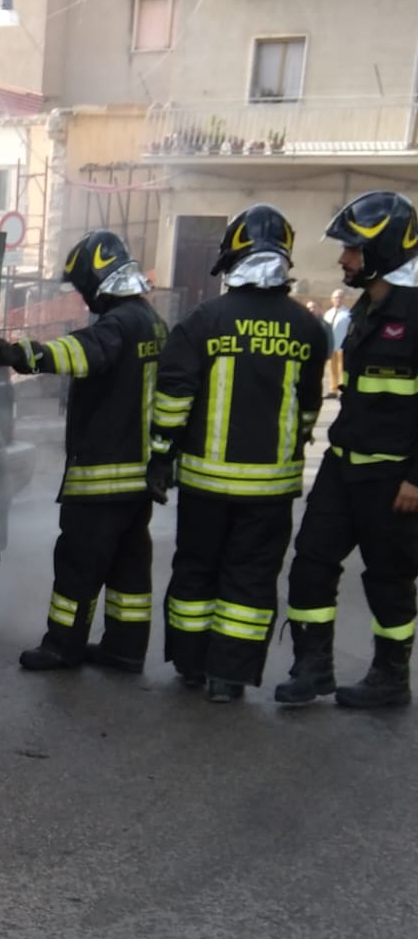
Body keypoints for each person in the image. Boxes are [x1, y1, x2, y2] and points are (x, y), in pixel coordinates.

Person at [148, 205, 326, 703]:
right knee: (249, 582)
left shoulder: (204, 321)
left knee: (198, 569)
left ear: (233, 259)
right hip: (270, 490)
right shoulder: (309, 329)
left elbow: (173, 399)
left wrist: (161, 458)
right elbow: (309, 408)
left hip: (206, 483)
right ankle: (229, 679)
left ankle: (190, 664)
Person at [0, 230, 168, 673]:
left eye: (81, 286)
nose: (82, 296)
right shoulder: (152, 322)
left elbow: (81, 354)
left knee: (78, 565)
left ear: (97, 279)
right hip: (138, 476)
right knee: (129, 569)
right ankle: (124, 649)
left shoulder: (116, 325)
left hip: (103, 475)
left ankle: (62, 646)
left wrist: (19, 355)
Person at [277, 190, 418, 709]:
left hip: (394, 478)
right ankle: (313, 668)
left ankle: (390, 677)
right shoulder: (367, 308)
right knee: (312, 562)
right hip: (345, 466)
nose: (343, 259)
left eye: (353, 250)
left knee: (390, 580)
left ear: (381, 251)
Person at [323, 289, 352, 397]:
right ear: (332, 299)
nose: (338, 300)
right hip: (331, 347)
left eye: (340, 297)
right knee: (332, 370)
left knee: (343, 370)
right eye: (335, 297)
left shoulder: (348, 314)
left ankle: (343, 390)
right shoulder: (328, 313)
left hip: (342, 347)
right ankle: (333, 390)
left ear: (343, 299)